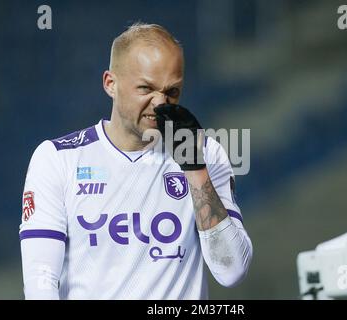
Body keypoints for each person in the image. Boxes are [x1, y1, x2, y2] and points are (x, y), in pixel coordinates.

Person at [19, 22, 253, 299]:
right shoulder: (58, 159)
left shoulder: (206, 154)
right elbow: (41, 281)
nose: (159, 103)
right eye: (145, 88)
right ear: (110, 83)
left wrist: (194, 168)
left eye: (172, 92)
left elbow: (232, 271)